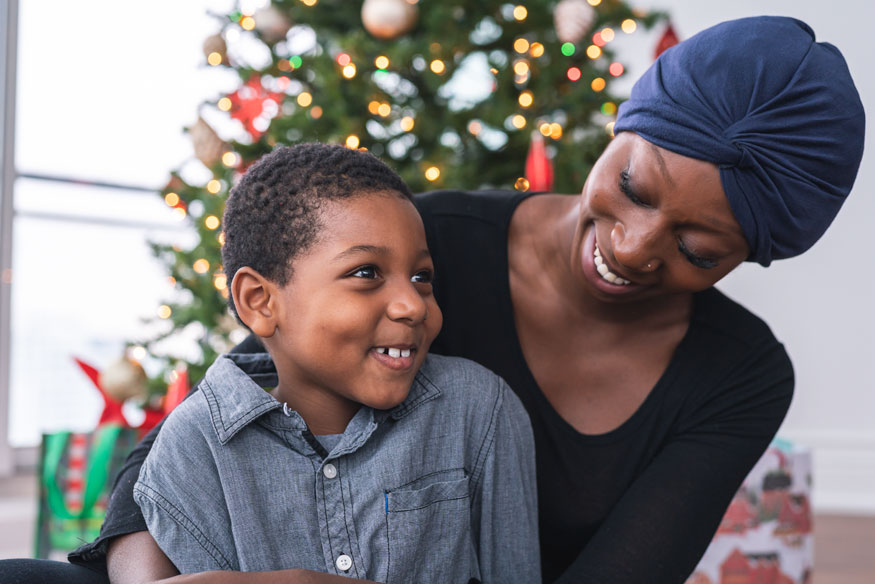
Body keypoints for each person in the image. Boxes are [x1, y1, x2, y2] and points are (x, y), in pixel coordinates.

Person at [1, 14, 863, 584]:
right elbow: (204, 419)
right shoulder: (426, 245)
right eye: (634, 187)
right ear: (619, 130)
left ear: (753, 254)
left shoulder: (735, 375)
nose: (632, 248)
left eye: (697, 248)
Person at [136, 143, 540, 583]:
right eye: (367, 273)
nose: (413, 306)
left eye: (422, 277)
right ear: (260, 302)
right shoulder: (193, 450)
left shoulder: (479, 409)